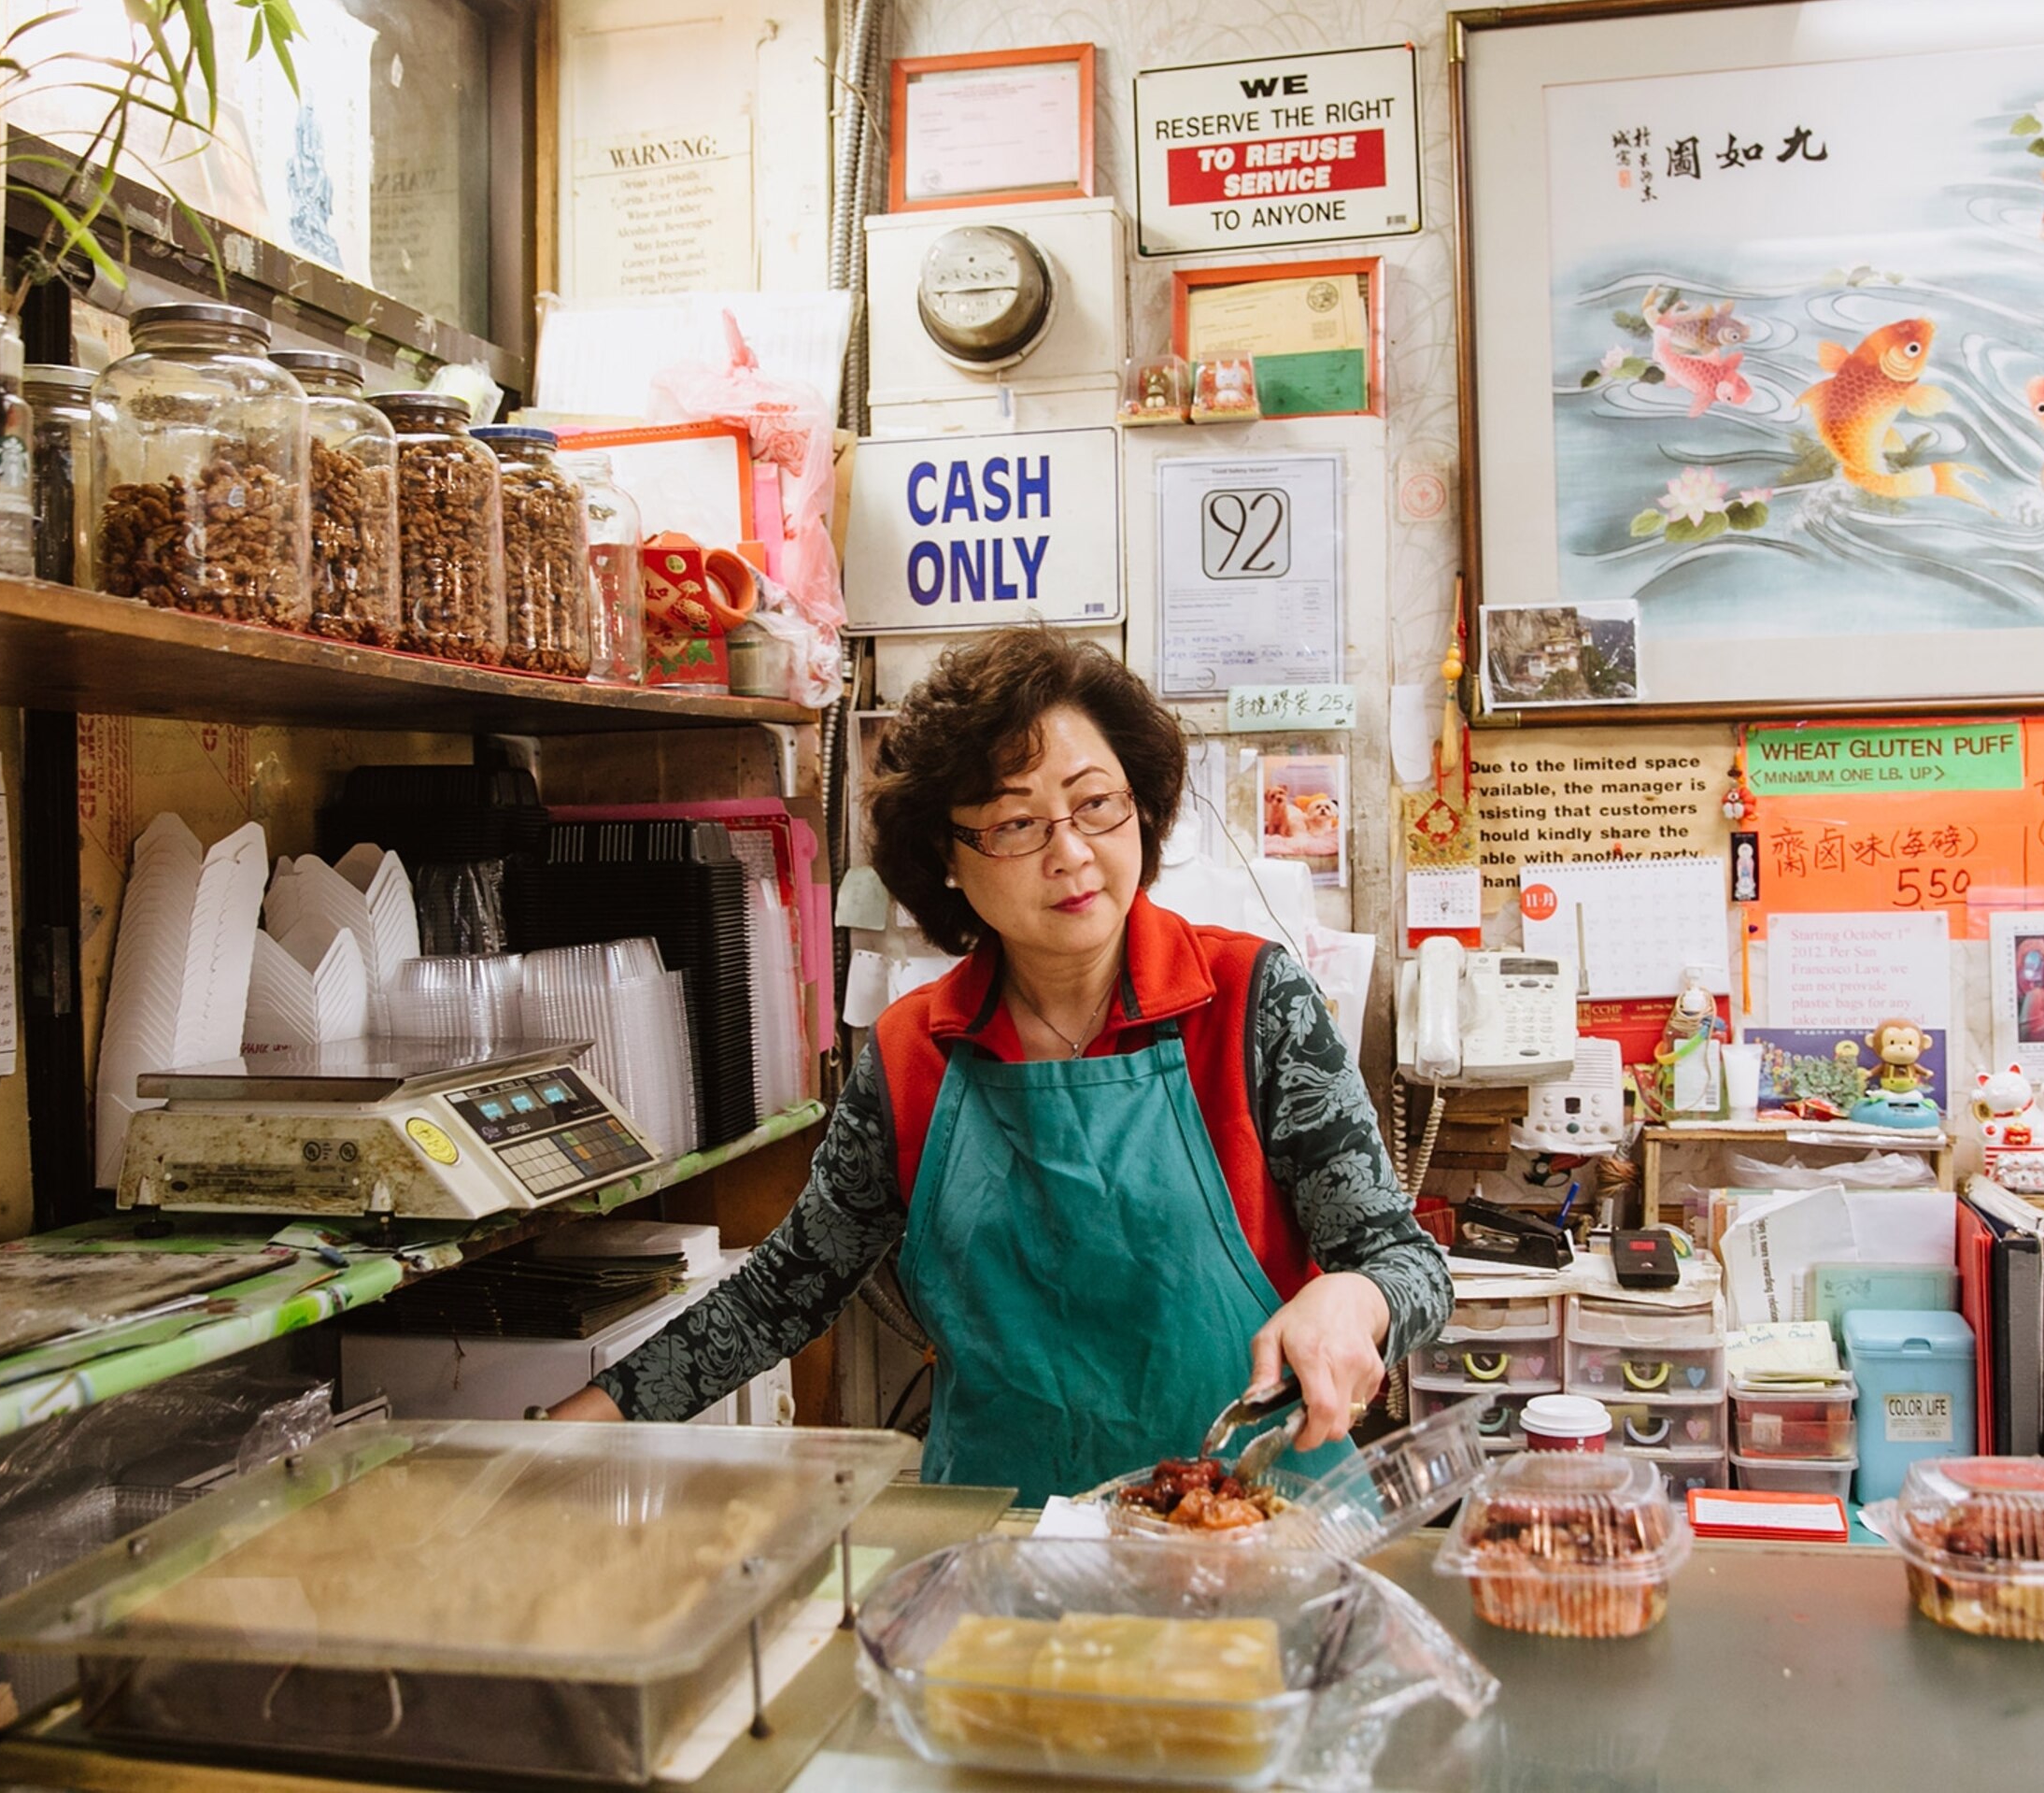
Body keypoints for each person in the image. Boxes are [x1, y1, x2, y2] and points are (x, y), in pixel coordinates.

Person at [548, 628, 1450, 1504]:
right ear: (948, 858)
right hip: (1011, 1545)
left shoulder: (1253, 1001)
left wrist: (1356, 1297)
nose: (1071, 852)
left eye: (1095, 803)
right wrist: (576, 1425)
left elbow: (1405, 1263)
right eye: (1018, 823)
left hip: (1258, 1531)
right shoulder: (911, 1056)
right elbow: (781, 1293)